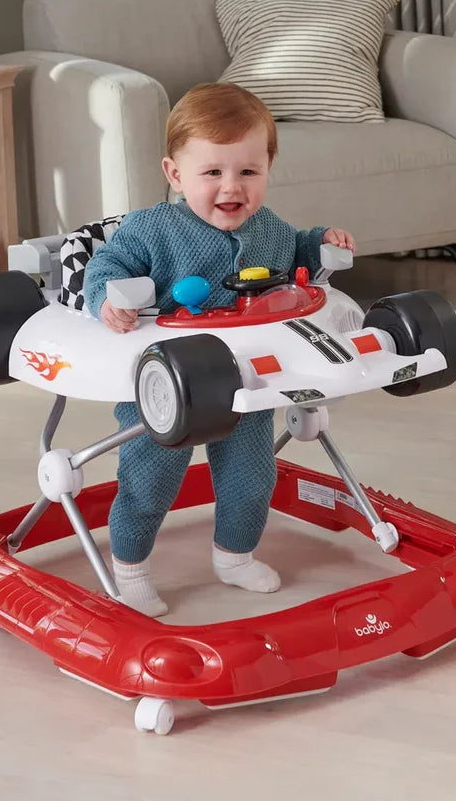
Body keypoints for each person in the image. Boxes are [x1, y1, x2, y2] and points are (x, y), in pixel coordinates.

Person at [83, 83, 355, 616]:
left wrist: (323, 240)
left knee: (252, 477)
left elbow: (298, 251)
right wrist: (107, 300)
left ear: (268, 169)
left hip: (246, 380)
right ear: (175, 174)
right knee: (151, 478)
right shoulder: (151, 230)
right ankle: (129, 569)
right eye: (212, 172)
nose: (232, 187)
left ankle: (235, 556)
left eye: (248, 171)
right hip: (166, 385)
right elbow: (106, 266)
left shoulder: (269, 229)